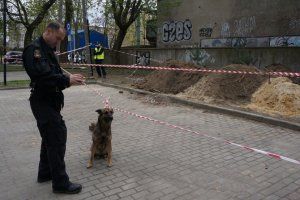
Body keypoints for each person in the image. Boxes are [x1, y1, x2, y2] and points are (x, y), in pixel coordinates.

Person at [22, 22, 84, 194]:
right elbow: (43, 76)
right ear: (49, 31)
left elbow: (54, 72)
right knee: (57, 138)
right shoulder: (34, 50)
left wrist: (69, 77)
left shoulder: (47, 50)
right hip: (42, 101)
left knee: (49, 138)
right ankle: (60, 183)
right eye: (57, 38)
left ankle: (45, 173)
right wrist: (66, 80)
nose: (58, 43)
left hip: (50, 102)